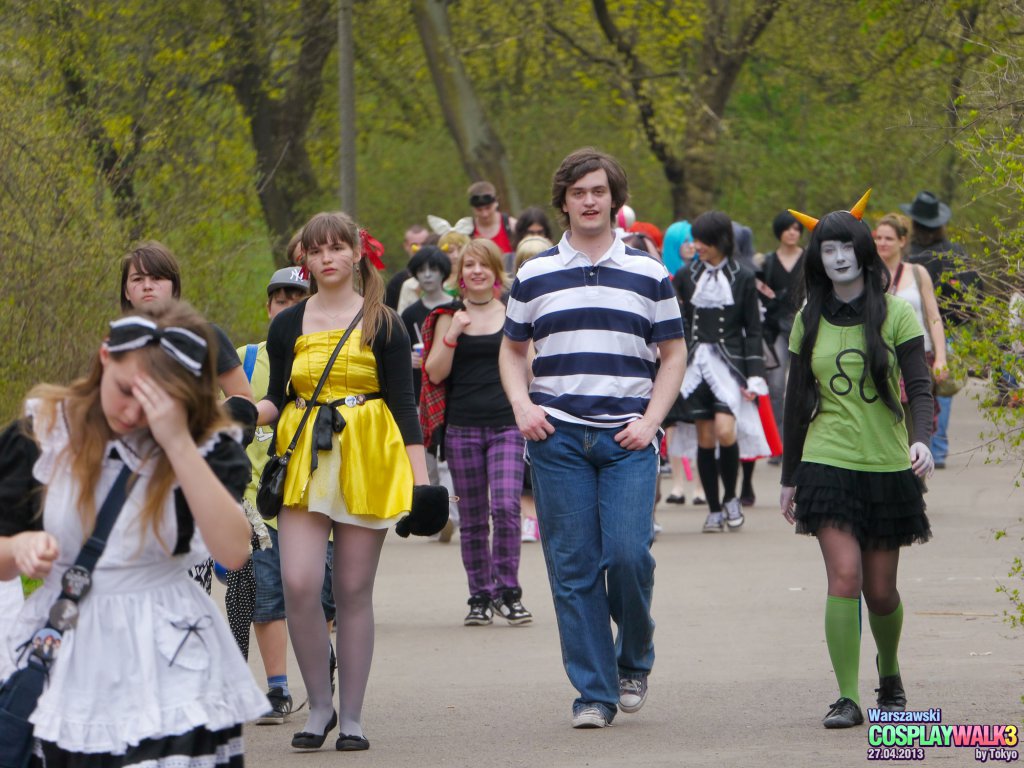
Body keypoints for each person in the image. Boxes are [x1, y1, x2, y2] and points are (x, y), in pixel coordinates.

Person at [0, 302, 268, 764]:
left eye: (154, 402)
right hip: (66, 652)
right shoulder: (43, 434)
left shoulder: (203, 446)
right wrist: (17, 547)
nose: (132, 412)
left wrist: (178, 443)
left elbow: (234, 550)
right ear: (105, 357)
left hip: (169, 655)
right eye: (125, 390)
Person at [500, 148, 687, 729]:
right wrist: (522, 406)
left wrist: (652, 421)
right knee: (574, 568)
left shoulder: (649, 272)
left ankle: (634, 658)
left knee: (630, 556)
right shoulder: (533, 274)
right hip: (557, 440)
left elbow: (674, 354)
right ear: (563, 201)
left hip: (629, 438)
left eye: (598, 191)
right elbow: (510, 351)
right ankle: (594, 693)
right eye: (578, 192)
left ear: (614, 199)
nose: (589, 201)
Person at [255, 211, 428, 752]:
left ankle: (351, 716)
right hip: (303, 455)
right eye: (316, 248)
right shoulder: (287, 324)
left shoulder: (387, 322)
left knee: (353, 590)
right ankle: (319, 705)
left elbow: (405, 405)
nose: (327, 256)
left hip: (368, 454)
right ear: (302, 258)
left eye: (337, 247)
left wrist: (423, 486)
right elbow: (276, 400)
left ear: (356, 253)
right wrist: (241, 412)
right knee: (300, 584)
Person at [781, 195, 934, 729]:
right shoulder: (809, 318)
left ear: (865, 252)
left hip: (888, 465)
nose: (839, 257)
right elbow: (796, 399)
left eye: (848, 246)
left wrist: (921, 439)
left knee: (880, 590)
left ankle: (888, 672)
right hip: (827, 461)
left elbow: (918, 386)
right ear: (817, 258)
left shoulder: (897, 313)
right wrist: (788, 477)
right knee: (842, 577)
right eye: (829, 248)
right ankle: (847, 697)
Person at [120, 241, 255, 594]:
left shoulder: (205, 336)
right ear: (127, 290)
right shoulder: (117, 345)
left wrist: (195, 424)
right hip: (130, 481)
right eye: (138, 279)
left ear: (174, 286)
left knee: (187, 588)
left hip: (192, 475)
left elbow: (243, 400)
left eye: (158, 277)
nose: (148, 285)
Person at [237, 260, 338, 725]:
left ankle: (324, 662)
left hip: (319, 500)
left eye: (298, 300)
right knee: (267, 597)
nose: (288, 308)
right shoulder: (247, 360)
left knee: (323, 596)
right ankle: (277, 687)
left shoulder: (330, 358)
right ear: (268, 306)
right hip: (261, 504)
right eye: (280, 299)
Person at [425, 238, 531, 626]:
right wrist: (453, 332)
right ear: (461, 274)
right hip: (463, 428)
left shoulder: (514, 314)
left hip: (507, 425)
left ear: (495, 272)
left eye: (483, 264)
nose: (476, 271)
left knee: (505, 507)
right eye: (469, 265)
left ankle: (508, 591)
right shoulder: (445, 316)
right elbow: (435, 372)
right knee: (471, 519)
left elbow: (530, 369)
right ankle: (479, 596)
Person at [675, 211, 768, 532]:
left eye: (703, 240)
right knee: (704, 437)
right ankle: (713, 508)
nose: (696, 245)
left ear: (721, 241)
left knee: (726, 432)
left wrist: (754, 373)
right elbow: (681, 323)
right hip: (696, 367)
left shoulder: (743, 276)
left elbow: (753, 330)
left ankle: (731, 497)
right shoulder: (686, 276)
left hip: (731, 366)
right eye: (695, 238)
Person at [901, 191, 977, 469]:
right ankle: (939, 447)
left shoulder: (910, 256)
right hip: (952, 327)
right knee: (940, 388)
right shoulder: (956, 253)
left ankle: (919, 444)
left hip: (917, 327)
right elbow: (975, 290)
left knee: (914, 389)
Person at [875, 213, 949, 442]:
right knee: (885, 429)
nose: (882, 243)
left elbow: (934, 317)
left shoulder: (917, 273)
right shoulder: (867, 274)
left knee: (916, 429)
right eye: (878, 238)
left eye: (888, 238)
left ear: (902, 241)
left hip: (917, 356)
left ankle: (917, 474)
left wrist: (941, 358)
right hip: (881, 359)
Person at [758, 210, 806, 463]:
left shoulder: (810, 259)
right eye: (788, 228)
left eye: (797, 228)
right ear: (780, 231)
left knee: (802, 385)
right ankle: (777, 443)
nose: (792, 232)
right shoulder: (766, 262)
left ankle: (800, 441)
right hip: (776, 328)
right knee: (776, 384)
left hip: (805, 326)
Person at [384, 223, 431, 310]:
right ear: (406, 246)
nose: (419, 249)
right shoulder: (396, 282)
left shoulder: (442, 276)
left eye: (424, 244)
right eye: (414, 245)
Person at [468, 181, 516, 255]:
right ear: (472, 209)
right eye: (479, 210)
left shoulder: (512, 226)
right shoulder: (468, 231)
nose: (484, 214)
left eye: (488, 208)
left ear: (496, 203)